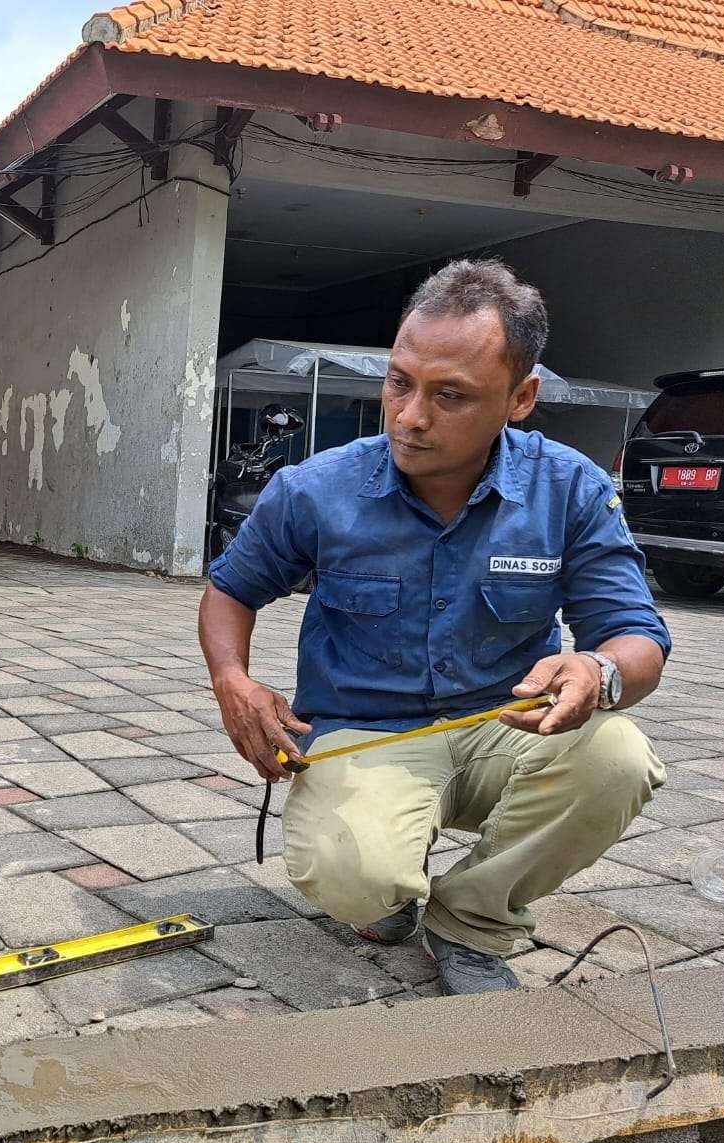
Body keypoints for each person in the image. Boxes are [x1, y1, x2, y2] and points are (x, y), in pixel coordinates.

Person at [199, 260, 669, 995]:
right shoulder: (315, 490)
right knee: (357, 878)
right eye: (399, 382)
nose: (410, 416)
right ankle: (386, 892)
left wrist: (597, 673)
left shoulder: (570, 487)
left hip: (506, 730)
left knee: (617, 757)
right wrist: (232, 678)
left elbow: (634, 633)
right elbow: (230, 590)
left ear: (521, 398)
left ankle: (471, 921)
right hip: (368, 733)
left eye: (450, 395)